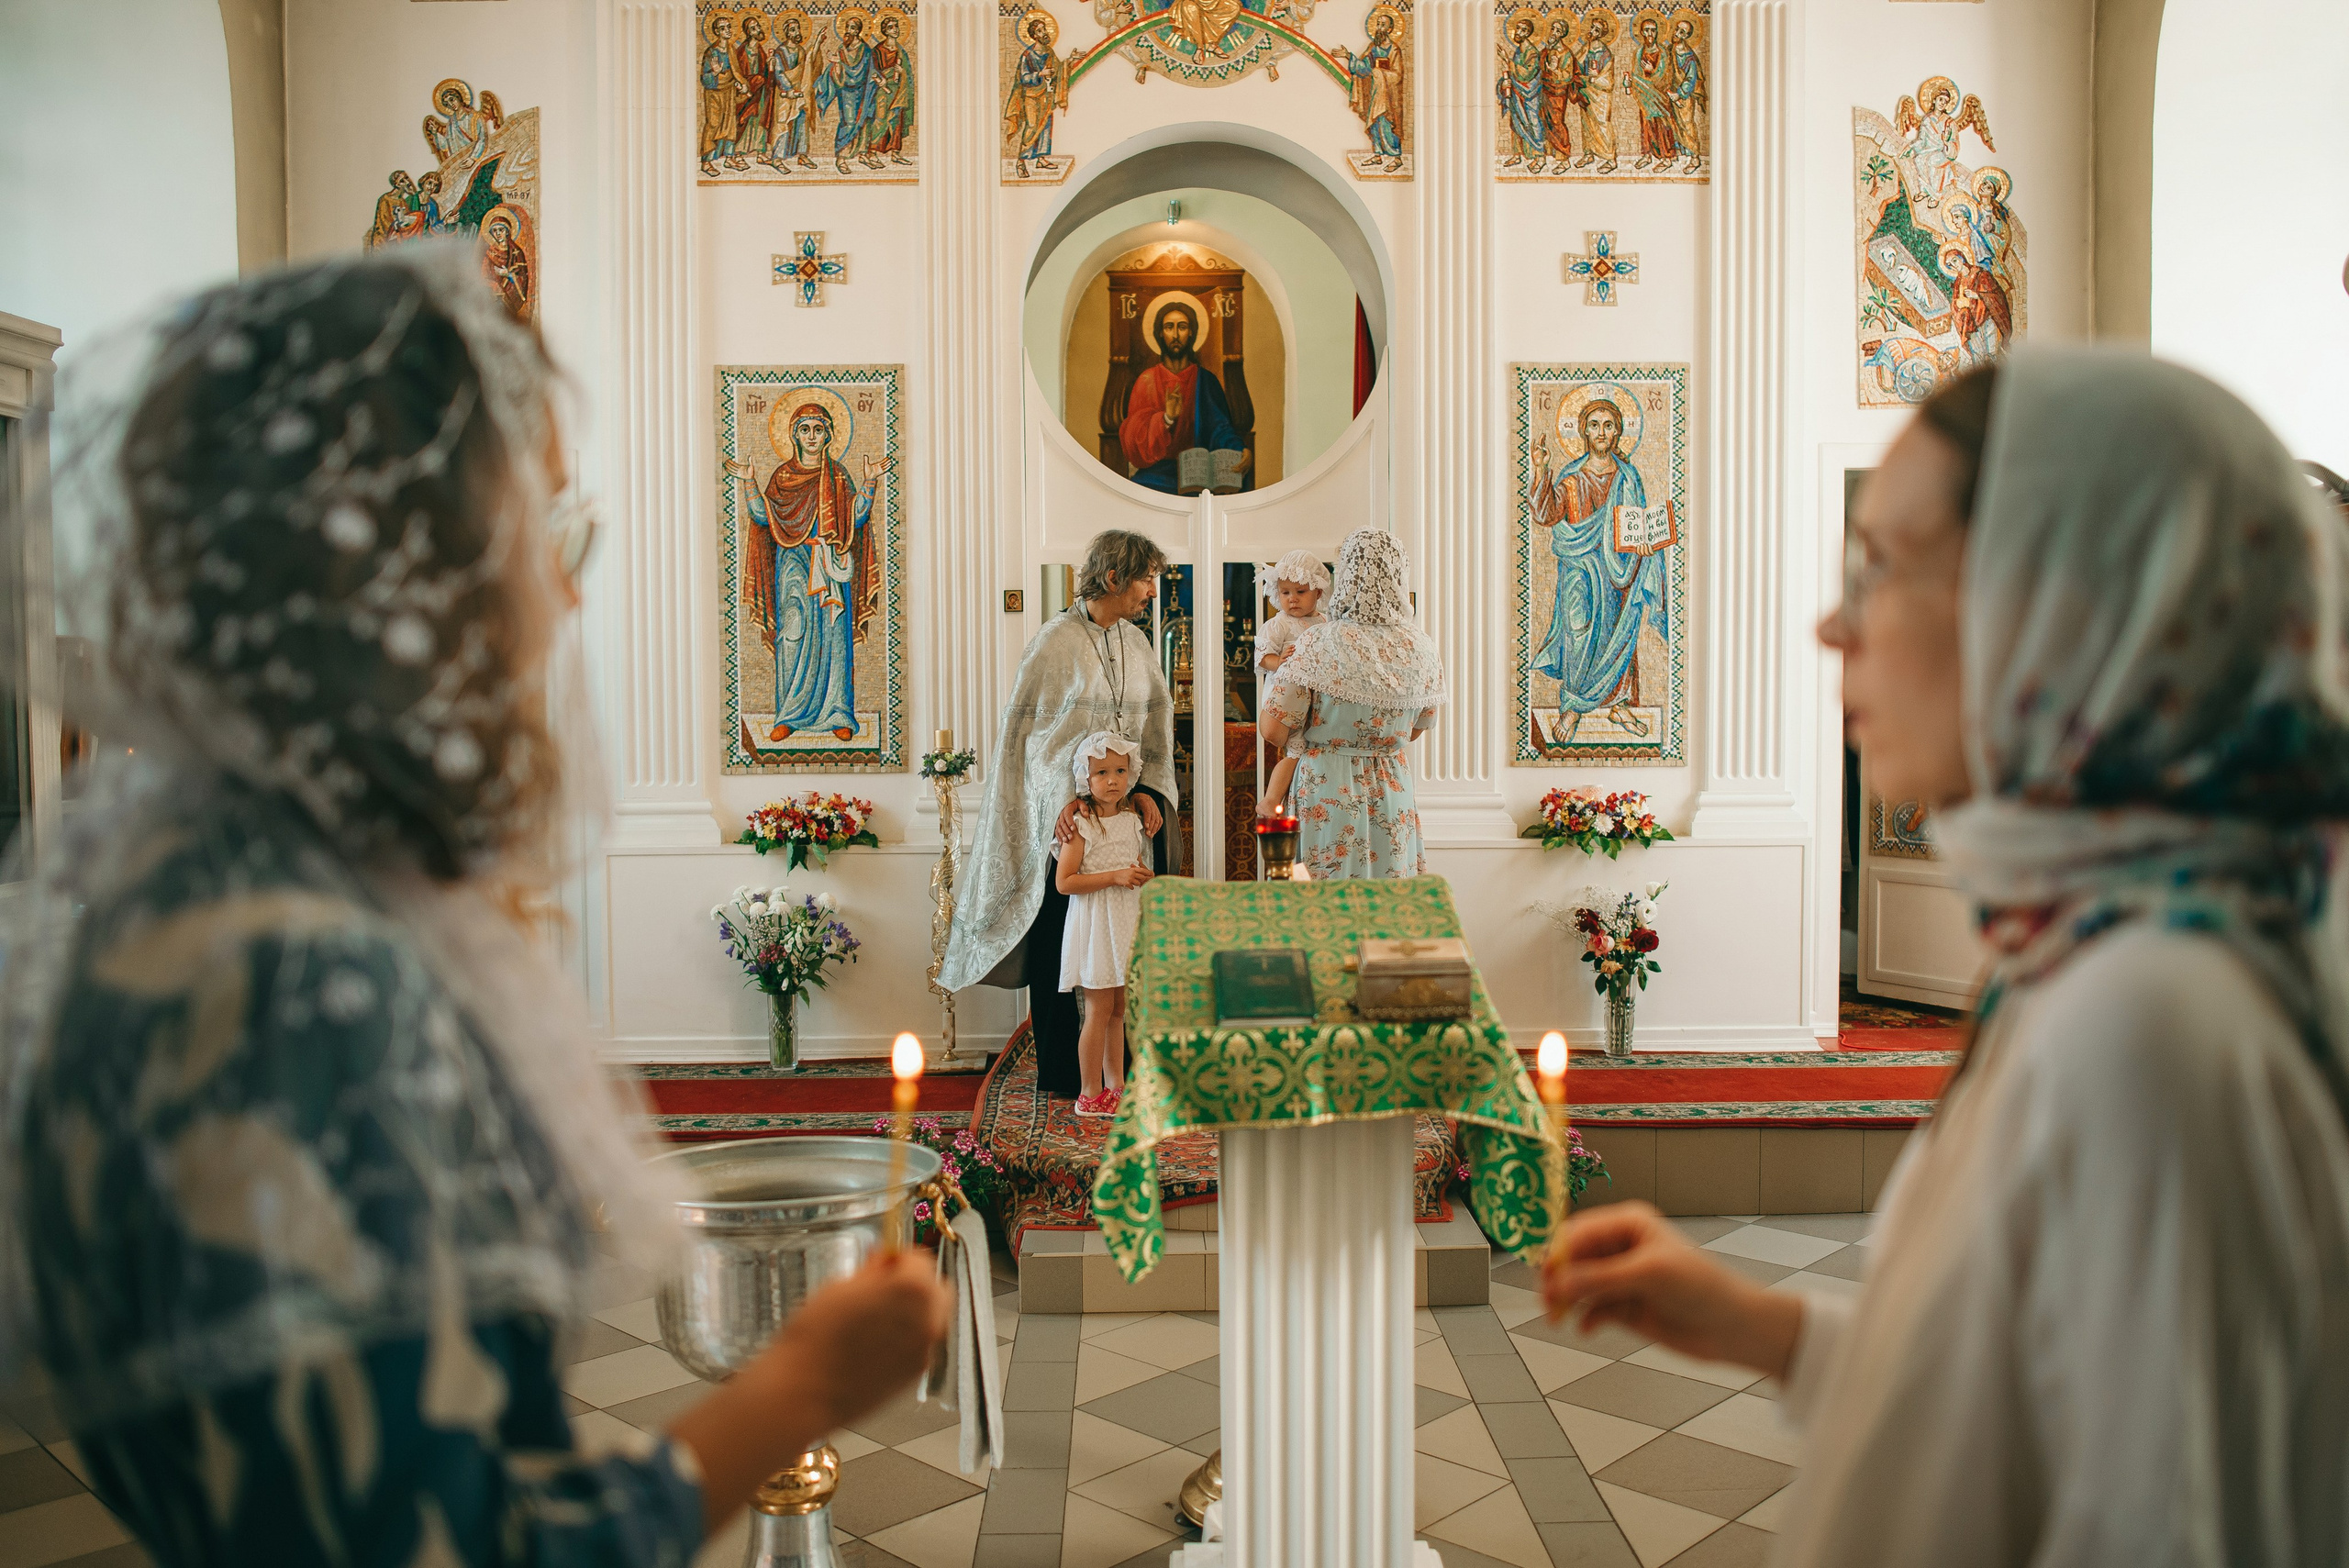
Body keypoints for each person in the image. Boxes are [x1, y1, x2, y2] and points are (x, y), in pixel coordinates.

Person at [0, 246, 952, 1566]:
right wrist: (797, 1390)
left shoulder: (198, 891)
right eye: (543, 529)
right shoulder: (314, 978)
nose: (564, 594)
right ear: (399, 572)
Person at [1542, 348, 2349, 1564]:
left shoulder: (2152, 1016)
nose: (1831, 623)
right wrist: (1764, 1328)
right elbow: (2037, 1404)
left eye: (1880, 570)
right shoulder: (2106, 940)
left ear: (2063, 604)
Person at [939, 530, 1180, 1099]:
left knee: (1126, 948)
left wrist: (1144, 790)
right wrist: (1064, 798)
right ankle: (1062, 1072)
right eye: (1146, 577)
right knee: (1058, 941)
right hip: (1069, 826)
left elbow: (1151, 732)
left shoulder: (1138, 643)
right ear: (1114, 577)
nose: (1152, 590)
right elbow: (1029, 742)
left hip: (1123, 828)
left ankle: (1124, 1071)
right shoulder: (1053, 642)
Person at [1259, 528, 1444, 880]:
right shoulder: (1421, 646)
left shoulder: (1317, 641)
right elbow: (1419, 727)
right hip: (1393, 790)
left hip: (1327, 790)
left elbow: (1273, 730)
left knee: (1325, 906)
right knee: (1389, 905)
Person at [724, 400, 882, 743]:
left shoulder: (838, 475)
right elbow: (763, 516)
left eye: (819, 429)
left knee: (834, 635)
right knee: (793, 633)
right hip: (793, 565)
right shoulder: (782, 476)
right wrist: (749, 482)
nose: (812, 436)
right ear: (794, 435)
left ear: (828, 435)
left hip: (829, 564)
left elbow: (855, 518)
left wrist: (869, 483)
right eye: (805, 430)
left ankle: (839, 712)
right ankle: (789, 715)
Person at [1530, 395, 1669, 746]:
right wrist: (1540, 468)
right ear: (1584, 432)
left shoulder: (1628, 477)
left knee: (1619, 633)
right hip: (1579, 569)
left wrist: (1646, 546)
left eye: (1608, 425)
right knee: (1578, 631)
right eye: (1594, 425)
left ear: (1618, 431)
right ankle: (1573, 706)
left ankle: (1619, 703)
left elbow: (1636, 523)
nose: (1601, 431)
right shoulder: (1573, 477)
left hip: (1620, 570)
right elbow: (1546, 514)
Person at [1057, 733, 1152, 1118]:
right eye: (1101, 773)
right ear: (1086, 778)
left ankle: (1117, 1085)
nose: (1112, 780)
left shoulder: (1132, 822)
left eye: (1119, 771)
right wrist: (1115, 876)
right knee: (1097, 1010)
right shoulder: (1081, 826)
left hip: (1125, 919)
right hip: (1097, 922)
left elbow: (1132, 867)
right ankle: (1089, 1091)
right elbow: (1065, 882)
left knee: (1119, 1011)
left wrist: (1139, 875)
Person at [1116, 302, 1250, 494]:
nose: (1176, 335)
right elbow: (1133, 439)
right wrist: (1166, 419)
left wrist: (1240, 450)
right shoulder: (1147, 381)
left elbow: (1220, 429)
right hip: (1157, 474)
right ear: (1160, 333)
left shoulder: (1206, 380)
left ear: (1192, 333)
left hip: (1199, 473)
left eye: (1182, 327)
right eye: (1169, 327)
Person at [1252, 550, 1330, 817]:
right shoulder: (1278, 624)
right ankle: (1271, 799)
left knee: (1308, 745)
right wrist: (1281, 661)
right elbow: (1263, 658)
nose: (1292, 599)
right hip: (1281, 693)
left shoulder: (1324, 622)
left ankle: (1294, 799)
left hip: (1313, 695)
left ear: (1318, 593)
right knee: (1296, 748)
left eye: (1300, 592)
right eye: (1285, 593)